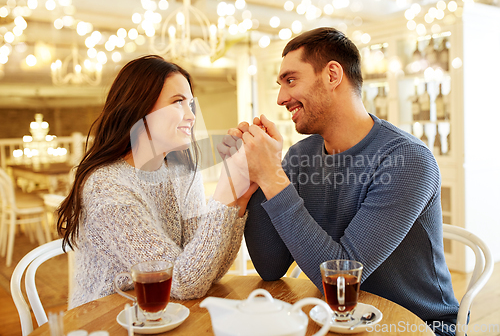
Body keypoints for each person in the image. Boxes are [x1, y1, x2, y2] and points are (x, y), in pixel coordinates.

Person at [221, 28, 460, 336]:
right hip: (336, 320)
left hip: (413, 326)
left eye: (290, 80)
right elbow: (270, 267)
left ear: (333, 75)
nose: (281, 98)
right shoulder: (300, 155)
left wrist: (273, 176)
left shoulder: (407, 160)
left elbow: (344, 275)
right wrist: (255, 175)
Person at [57, 55, 256, 309]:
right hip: (108, 319)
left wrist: (238, 199)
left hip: (165, 313)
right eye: (178, 103)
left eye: (191, 104)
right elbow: (182, 282)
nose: (191, 116)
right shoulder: (106, 187)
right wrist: (225, 189)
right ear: (140, 109)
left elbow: (207, 271)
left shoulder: (182, 172)